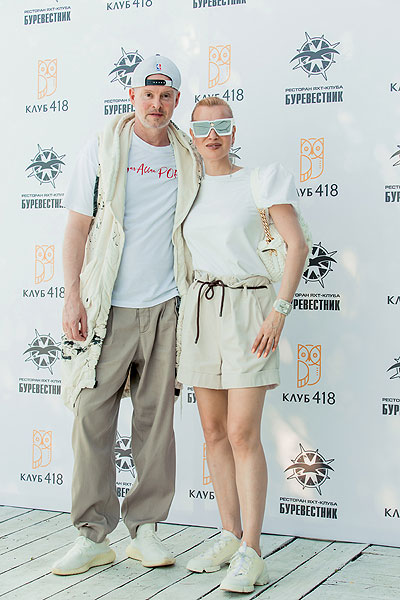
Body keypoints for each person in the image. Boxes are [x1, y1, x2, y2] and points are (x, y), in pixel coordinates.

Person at [52, 55, 201, 576]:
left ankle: (146, 531)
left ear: (176, 100)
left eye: (166, 96)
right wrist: (72, 296)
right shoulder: (101, 148)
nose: (156, 105)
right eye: (147, 94)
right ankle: (93, 536)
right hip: (107, 306)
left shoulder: (189, 155)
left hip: (167, 307)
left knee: (156, 423)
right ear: (131, 96)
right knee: (91, 416)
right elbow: (77, 228)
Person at [176, 97, 309, 593]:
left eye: (222, 126)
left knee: (241, 433)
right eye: (202, 128)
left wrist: (280, 309)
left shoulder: (260, 180)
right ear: (191, 135)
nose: (212, 135)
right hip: (200, 309)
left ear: (234, 131)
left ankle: (253, 550)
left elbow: (296, 245)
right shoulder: (186, 187)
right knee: (212, 431)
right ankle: (229, 535)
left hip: (250, 308)